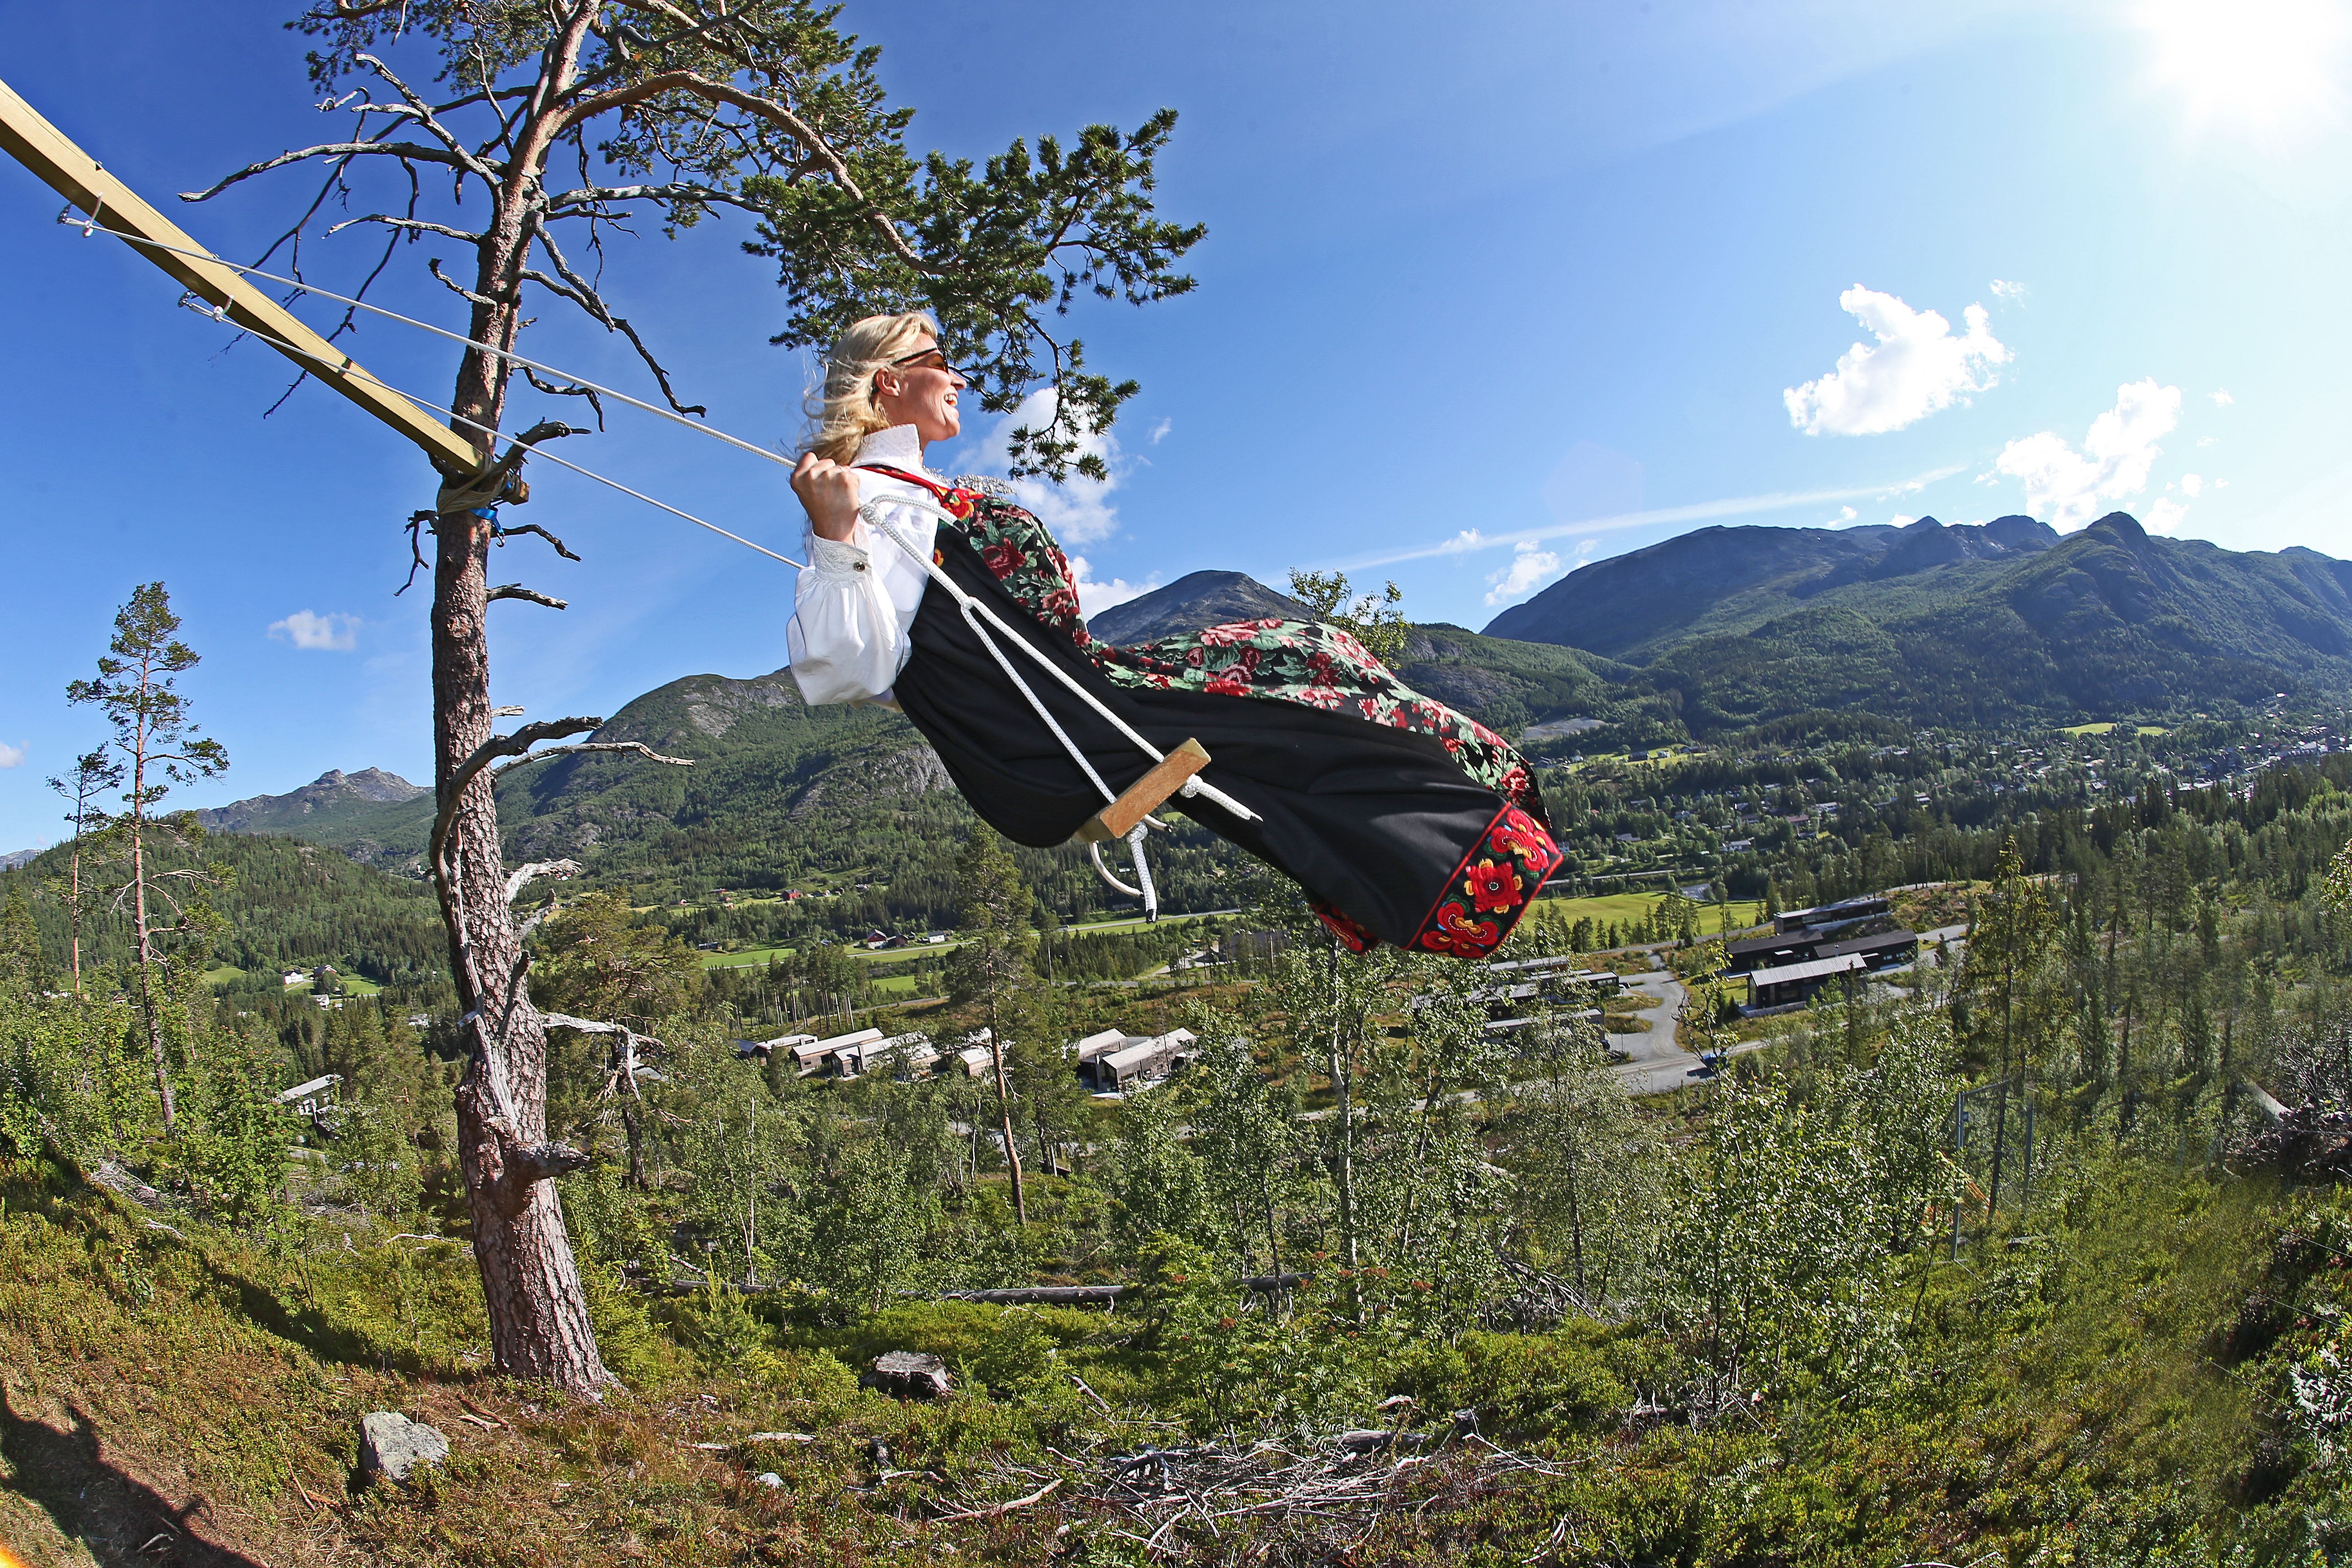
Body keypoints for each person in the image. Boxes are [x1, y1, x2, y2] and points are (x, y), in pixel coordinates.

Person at [785, 311, 1562, 958]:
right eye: (942, 361)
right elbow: (846, 670)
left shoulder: (921, 493)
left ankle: (1437, 863)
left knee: (1309, 657)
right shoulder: (873, 499)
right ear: (890, 380)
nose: (960, 379)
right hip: (1054, 734)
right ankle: (1465, 857)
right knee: (1300, 685)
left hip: (1076, 701)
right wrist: (831, 536)